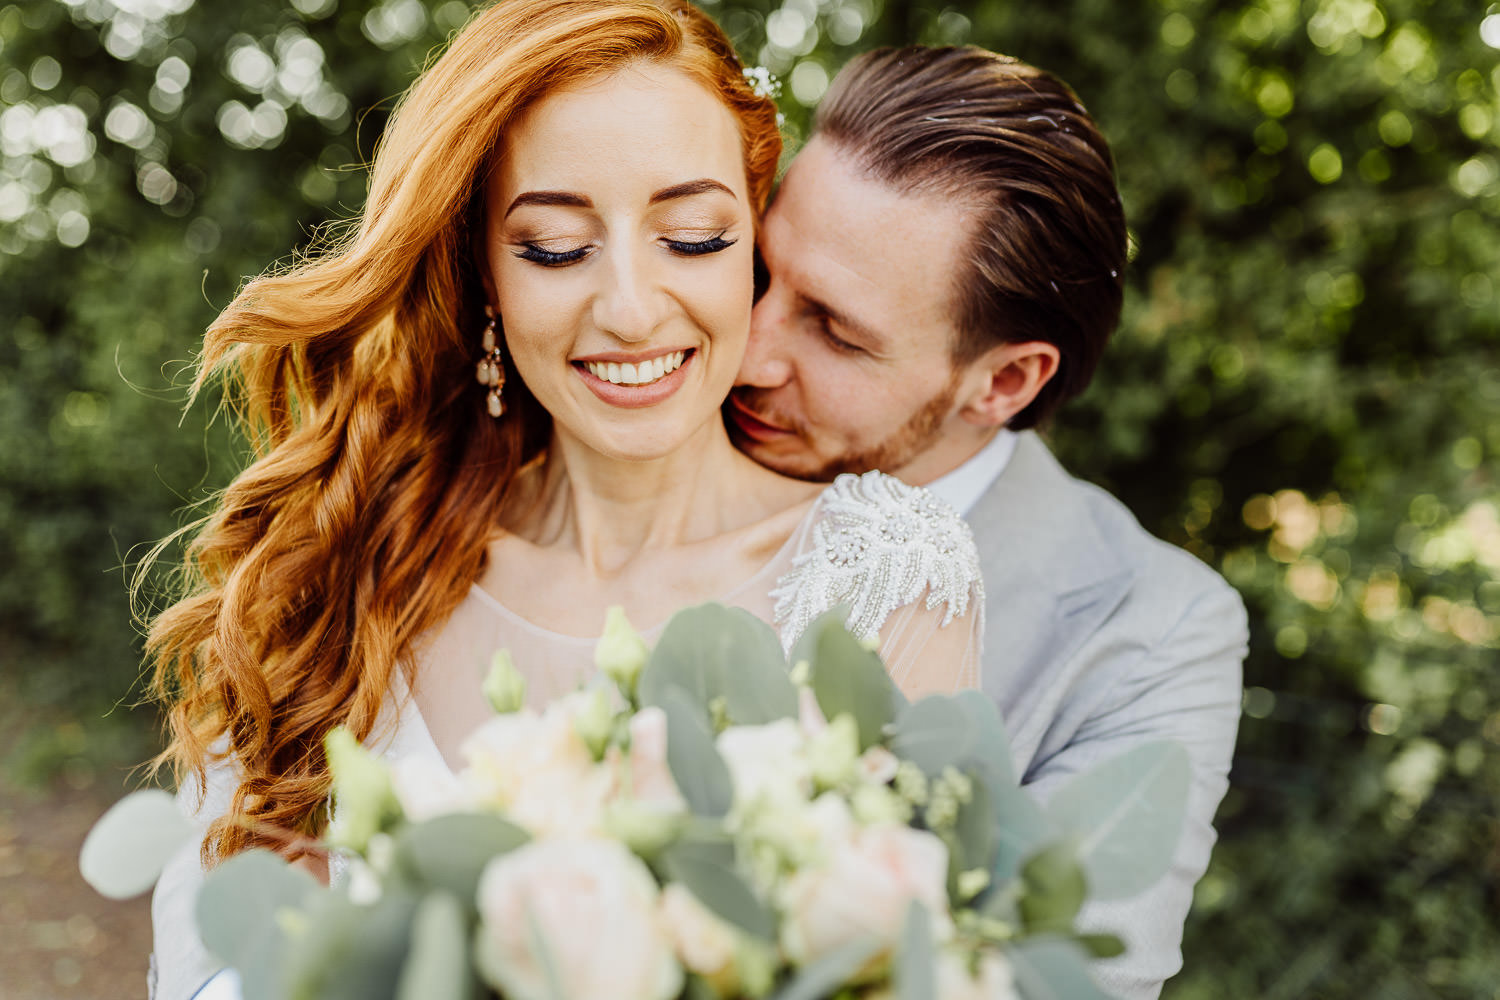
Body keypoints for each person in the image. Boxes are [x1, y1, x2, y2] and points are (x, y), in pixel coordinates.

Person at [143, 4, 983, 999]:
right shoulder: (350, 566)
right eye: (553, 246)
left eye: (693, 236)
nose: (630, 309)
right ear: (484, 272)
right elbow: (217, 960)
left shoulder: (890, 578)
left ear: (754, 238)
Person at [727, 46, 1249, 1000]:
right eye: (760, 270)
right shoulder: (631, 438)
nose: (748, 353)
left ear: (1004, 382)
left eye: (836, 331)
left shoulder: (1155, 629)